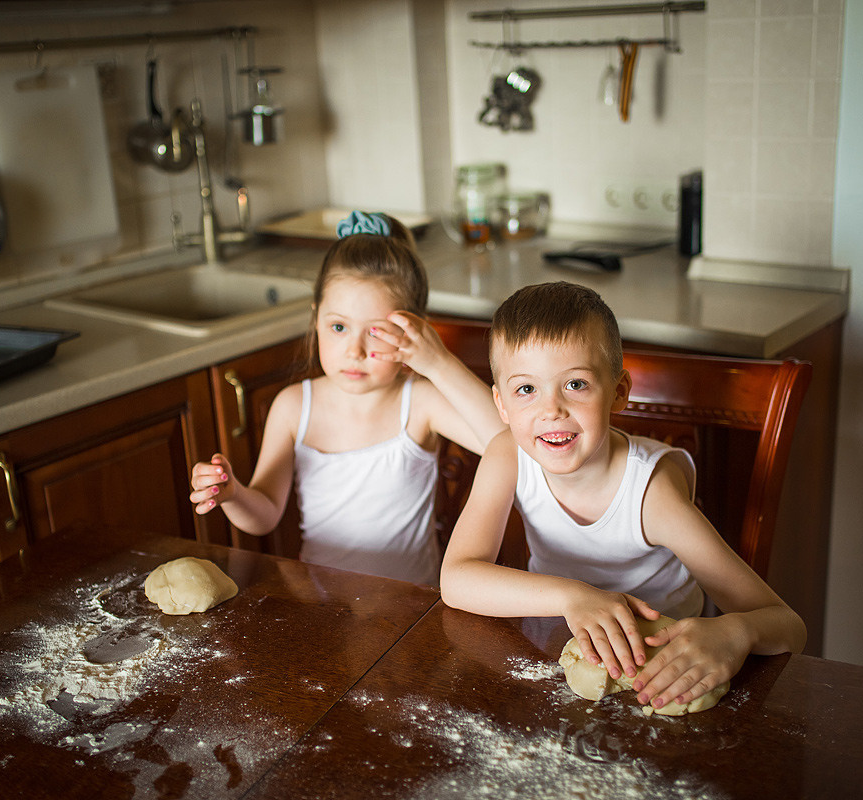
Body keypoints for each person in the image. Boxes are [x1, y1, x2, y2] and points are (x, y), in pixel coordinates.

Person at [440, 281, 806, 712]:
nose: (551, 409)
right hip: (556, 662)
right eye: (526, 390)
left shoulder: (653, 494)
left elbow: (788, 626)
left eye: (575, 384)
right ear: (501, 405)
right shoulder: (508, 454)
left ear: (618, 391)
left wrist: (735, 633)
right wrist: (571, 597)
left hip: (660, 679)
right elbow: (456, 578)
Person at [189, 211, 505, 586]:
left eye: (376, 331)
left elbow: (509, 442)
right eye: (338, 327)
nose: (354, 350)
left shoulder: (420, 403)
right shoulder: (293, 407)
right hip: (326, 614)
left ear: (414, 330)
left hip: (412, 612)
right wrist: (232, 494)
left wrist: (438, 363)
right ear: (316, 317)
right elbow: (265, 514)